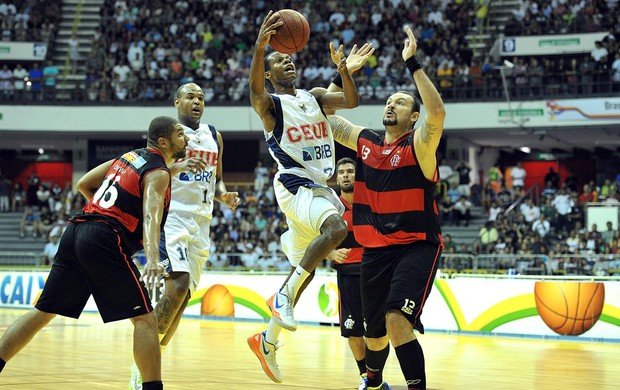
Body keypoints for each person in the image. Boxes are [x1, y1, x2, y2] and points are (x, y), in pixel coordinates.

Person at [0, 115, 188, 390]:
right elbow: (150, 215)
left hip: (77, 230)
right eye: (180, 134)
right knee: (145, 319)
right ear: (164, 142)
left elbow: (83, 184)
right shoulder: (158, 173)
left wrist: (105, 214)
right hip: (103, 237)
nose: (185, 138)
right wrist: (153, 258)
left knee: (42, 312)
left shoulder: (128, 158)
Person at [246, 11, 362, 384]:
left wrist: (344, 68)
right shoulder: (270, 107)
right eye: (280, 60)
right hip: (296, 184)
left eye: (290, 57)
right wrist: (261, 47)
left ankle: (266, 340)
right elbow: (253, 92)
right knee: (336, 228)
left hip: (316, 186)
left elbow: (352, 101)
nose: (289, 60)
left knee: (304, 273)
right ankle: (282, 299)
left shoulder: (313, 96)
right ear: (269, 73)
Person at [328, 25, 446, 390]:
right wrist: (343, 72)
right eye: (389, 100)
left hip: (416, 245)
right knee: (374, 334)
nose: (391, 104)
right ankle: (374, 381)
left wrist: (413, 64)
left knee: (397, 322)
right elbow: (326, 117)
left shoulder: (419, 145)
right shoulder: (365, 141)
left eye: (401, 101)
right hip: (374, 251)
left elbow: (437, 112)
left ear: (414, 117)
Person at [129, 83, 239, 390]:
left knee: (182, 299)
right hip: (172, 218)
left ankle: (150, 356)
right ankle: (142, 369)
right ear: (177, 102)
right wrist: (178, 165)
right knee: (176, 286)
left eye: (201, 97)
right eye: (190, 96)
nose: (197, 101)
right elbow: (152, 171)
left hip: (201, 222)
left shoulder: (214, 135)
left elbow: (216, 180)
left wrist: (224, 196)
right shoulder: (170, 136)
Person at [326, 157, 367, 390]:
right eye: (341, 172)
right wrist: (330, 253)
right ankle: (365, 376)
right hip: (347, 276)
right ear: (337, 178)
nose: (345, 175)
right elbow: (313, 237)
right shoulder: (331, 209)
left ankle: (374, 375)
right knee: (352, 330)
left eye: (350, 171)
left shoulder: (370, 203)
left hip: (373, 273)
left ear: (356, 175)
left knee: (376, 329)